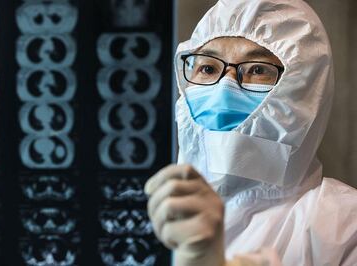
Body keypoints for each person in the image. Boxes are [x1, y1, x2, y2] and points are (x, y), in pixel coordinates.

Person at [144, 0, 357, 265]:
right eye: (208, 68)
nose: (225, 86)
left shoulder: (343, 227)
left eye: (257, 69)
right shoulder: (146, 210)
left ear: (303, 89)